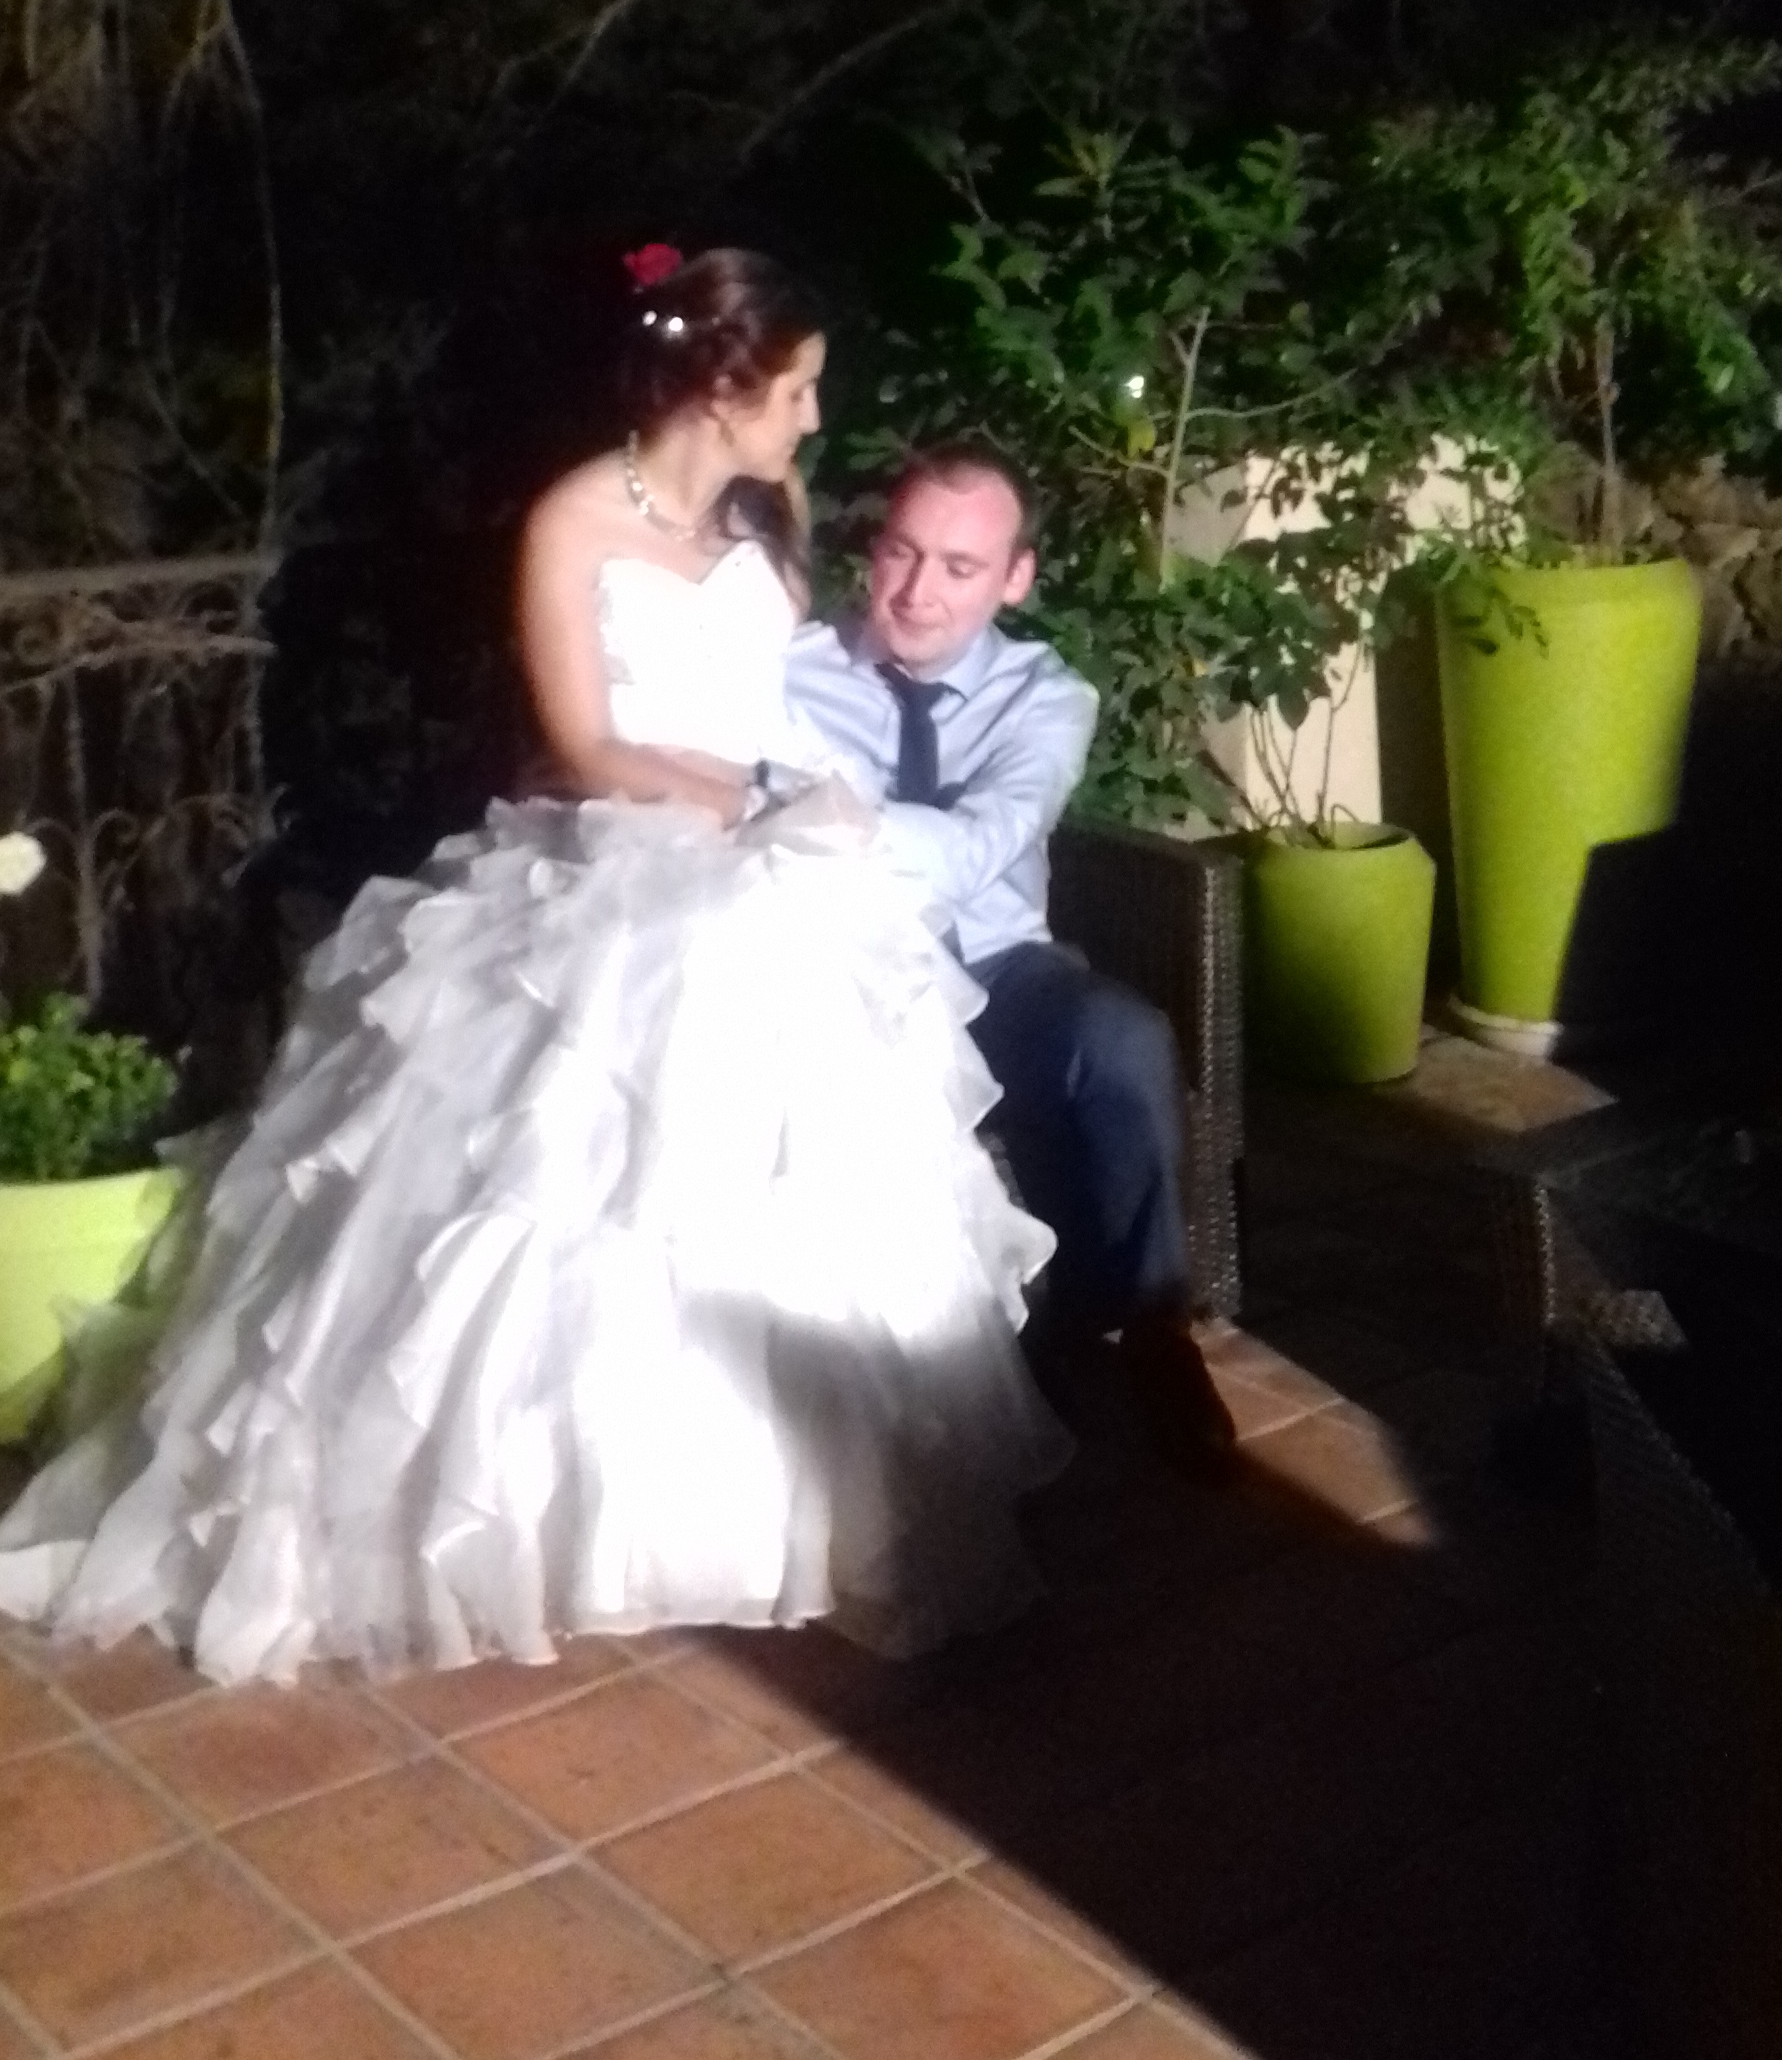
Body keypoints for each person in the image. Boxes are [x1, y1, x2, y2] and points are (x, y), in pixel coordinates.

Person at [0, 255, 1066, 1683]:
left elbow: (771, 700)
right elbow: (583, 739)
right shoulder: (570, 521)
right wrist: (736, 801)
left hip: (769, 861)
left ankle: (752, 1501)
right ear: (723, 387)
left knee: (797, 1170)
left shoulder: (777, 514)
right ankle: (545, 1516)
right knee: (561, 1183)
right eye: (799, 389)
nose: (815, 419)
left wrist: (795, 807)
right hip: (620, 854)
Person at [785, 444, 1238, 1480]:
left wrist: (823, 815)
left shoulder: (1046, 697)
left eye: (960, 566)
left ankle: (1154, 1328)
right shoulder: (792, 673)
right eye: (902, 552)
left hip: (994, 973)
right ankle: (930, 1372)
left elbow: (985, 844)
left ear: (1016, 578)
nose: (919, 591)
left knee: (1122, 1039)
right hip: (837, 980)